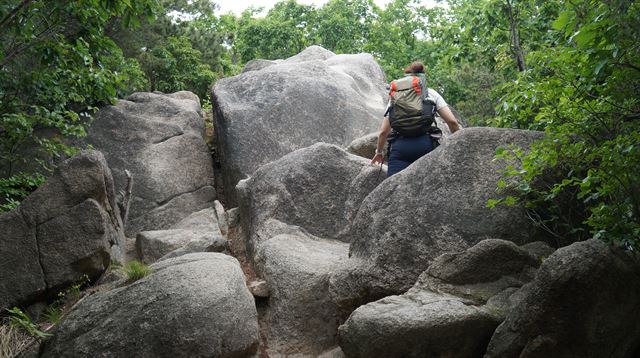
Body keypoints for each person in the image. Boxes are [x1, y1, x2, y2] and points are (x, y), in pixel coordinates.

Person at [371, 62, 460, 177]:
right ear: (422, 78)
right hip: (425, 146)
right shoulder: (430, 93)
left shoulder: (396, 97)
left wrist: (378, 152)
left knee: (394, 191)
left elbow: (383, 132)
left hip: (400, 148)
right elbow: (452, 122)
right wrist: (458, 142)